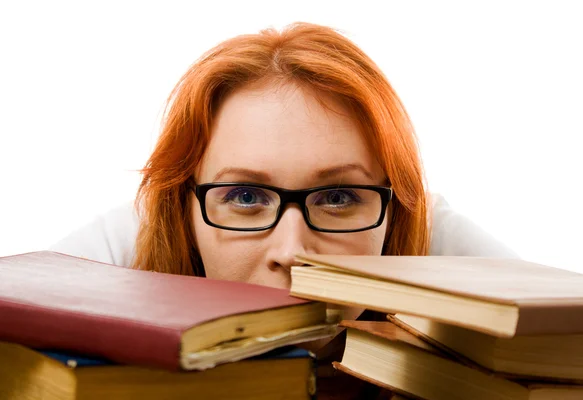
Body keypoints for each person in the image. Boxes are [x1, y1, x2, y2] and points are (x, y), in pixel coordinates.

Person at [50, 21, 517, 399]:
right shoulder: (117, 254)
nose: (293, 252)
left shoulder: (446, 254)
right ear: (184, 212)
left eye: (338, 197)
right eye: (246, 197)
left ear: (397, 209)